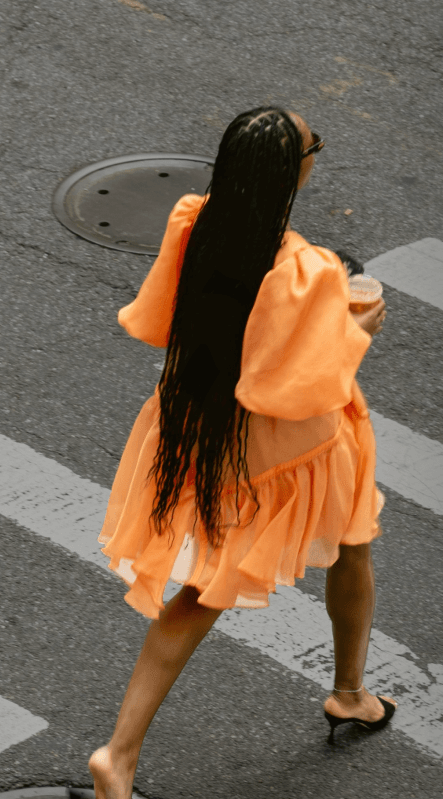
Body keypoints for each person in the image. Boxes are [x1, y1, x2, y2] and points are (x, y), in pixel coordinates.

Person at [89, 106, 393, 799]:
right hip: (286, 452)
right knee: (352, 545)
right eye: (314, 145)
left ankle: (121, 753)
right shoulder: (302, 269)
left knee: (199, 594)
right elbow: (299, 384)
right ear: (296, 170)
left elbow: (158, 318)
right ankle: (348, 691)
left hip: (198, 422)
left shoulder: (193, 221)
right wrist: (358, 328)